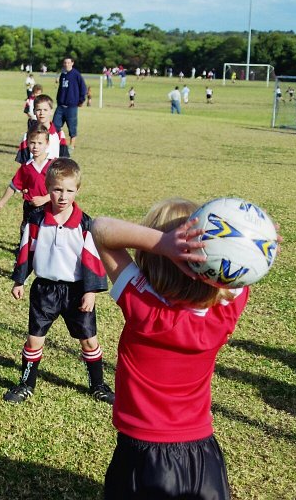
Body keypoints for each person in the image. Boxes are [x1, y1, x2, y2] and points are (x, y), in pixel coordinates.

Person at [91, 198, 267, 499]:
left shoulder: (143, 308)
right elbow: (242, 270)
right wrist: (258, 245)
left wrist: (162, 244)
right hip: (204, 457)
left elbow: (99, 228)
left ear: (153, 258)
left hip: (144, 456)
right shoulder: (223, 315)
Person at [4, 159, 114, 404]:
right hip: (45, 289)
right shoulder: (36, 219)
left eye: (69, 190)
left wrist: (91, 292)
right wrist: (20, 280)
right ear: (47, 188)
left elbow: (92, 259)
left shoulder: (85, 224)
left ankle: (98, 385)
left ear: (77, 190)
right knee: (34, 338)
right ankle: (26, 384)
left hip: (76, 291)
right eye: (57, 189)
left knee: (89, 340)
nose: (63, 196)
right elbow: (26, 250)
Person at [0, 125, 55, 236]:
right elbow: (13, 186)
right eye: (32, 142)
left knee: (47, 235)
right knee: (27, 232)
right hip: (30, 207)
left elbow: (62, 189)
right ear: (27, 143)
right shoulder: (26, 167)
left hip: (50, 207)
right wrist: (1, 203)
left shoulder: (54, 165)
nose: (36, 146)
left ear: (47, 144)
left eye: (40, 143)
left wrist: (45, 198)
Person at [16, 94, 69, 163]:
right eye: (38, 110)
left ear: (51, 111)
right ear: (34, 111)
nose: (42, 113)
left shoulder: (59, 133)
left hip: (53, 169)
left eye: (45, 110)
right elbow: (23, 162)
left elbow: (64, 159)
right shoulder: (28, 135)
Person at [53, 57, 87, 149]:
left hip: (71, 106)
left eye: (68, 63)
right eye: (65, 63)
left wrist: (81, 100)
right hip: (61, 105)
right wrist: (58, 99)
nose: (66, 64)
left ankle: (72, 145)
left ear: (72, 63)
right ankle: (55, 143)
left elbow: (83, 88)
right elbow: (60, 88)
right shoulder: (63, 74)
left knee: (72, 125)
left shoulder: (76, 74)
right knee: (55, 125)